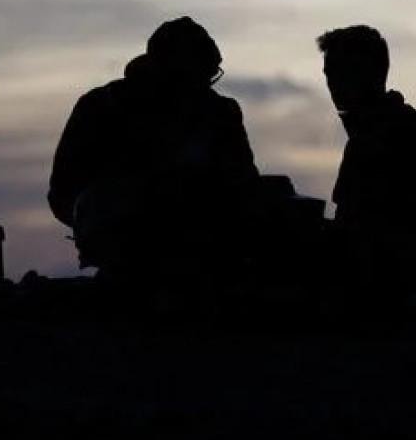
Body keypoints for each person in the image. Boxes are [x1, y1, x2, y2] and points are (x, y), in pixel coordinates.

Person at [48, 16, 260, 278]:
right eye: (194, 78)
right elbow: (63, 193)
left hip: (208, 257)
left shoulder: (219, 112)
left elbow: (246, 183)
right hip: (127, 256)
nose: (202, 88)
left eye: (208, 77)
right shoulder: (103, 108)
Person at [317, 25, 416, 298]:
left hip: (386, 297)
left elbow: (378, 233)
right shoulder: (373, 135)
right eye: (329, 74)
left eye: (341, 73)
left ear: (368, 74)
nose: (332, 85)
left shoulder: (399, 136)